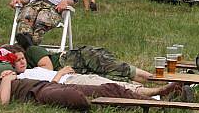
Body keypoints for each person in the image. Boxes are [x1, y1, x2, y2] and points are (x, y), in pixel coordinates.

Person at [0, 58, 181, 110]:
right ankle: (154, 103)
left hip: (45, 86)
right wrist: (8, 79)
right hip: (37, 93)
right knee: (77, 97)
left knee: (107, 88)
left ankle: (156, 98)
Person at [15, 34, 155, 84]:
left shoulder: (32, 51)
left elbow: (48, 68)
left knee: (121, 69)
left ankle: (158, 79)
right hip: (77, 72)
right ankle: (164, 91)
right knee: (116, 79)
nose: (19, 61)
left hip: (80, 58)